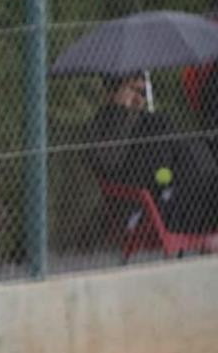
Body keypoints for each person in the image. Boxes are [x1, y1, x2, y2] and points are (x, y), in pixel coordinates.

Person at [89, 73, 218, 239]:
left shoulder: (152, 122)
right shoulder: (101, 127)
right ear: (112, 93)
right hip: (143, 206)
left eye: (142, 93)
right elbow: (112, 166)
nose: (138, 99)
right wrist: (121, 112)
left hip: (175, 191)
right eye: (132, 91)